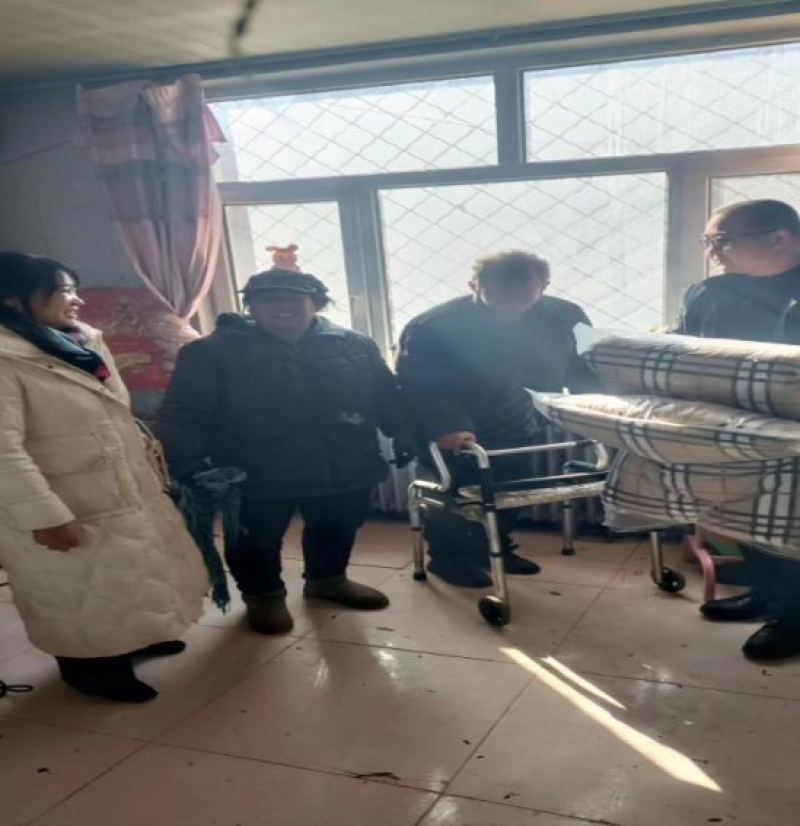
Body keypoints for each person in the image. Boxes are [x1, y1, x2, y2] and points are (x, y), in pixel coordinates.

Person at [156, 262, 412, 636]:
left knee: (338, 525)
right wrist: (187, 462)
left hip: (344, 460)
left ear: (317, 303)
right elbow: (183, 412)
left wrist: (405, 433)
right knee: (255, 539)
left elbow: (386, 396)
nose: (281, 305)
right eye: (267, 298)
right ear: (251, 306)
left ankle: (328, 579)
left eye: (294, 298)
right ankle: (264, 595)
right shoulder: (210, 352)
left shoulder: (354, 344)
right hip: (255, 468)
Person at [0, 252, 207, 703]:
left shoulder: (77, 340)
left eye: (74, 288)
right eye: (63, 291)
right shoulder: (5, 359)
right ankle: (88, 669)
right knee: (78, 589)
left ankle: (135, 636)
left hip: (116, 483)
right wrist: (44, 517)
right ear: (12, 298)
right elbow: (3, 453)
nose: (76, 299)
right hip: (63, 497)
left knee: (128, 574)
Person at [397, 250, 597, 588]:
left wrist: (593, 409)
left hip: (519, 417)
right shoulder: (434, 325)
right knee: (454, 493)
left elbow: (582, 366)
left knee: (508, 490)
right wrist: (448, 425)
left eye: (524, 293)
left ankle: (493, 548)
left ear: (544, 286)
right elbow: (418, 383)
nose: (512, 303)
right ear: (474, 285)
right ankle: (449, 558)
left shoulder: (565, 316)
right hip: (453, 422)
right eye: (501, 293)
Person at [676, 198, 800, 660]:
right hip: (736, 427)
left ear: (779, 238)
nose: (713, 252)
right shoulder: (709, 292)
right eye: (707, 241)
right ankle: (767, 595)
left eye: (723, 241)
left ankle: (794, 620)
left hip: (795, 427)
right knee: (748, 515)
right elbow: (688, 349)